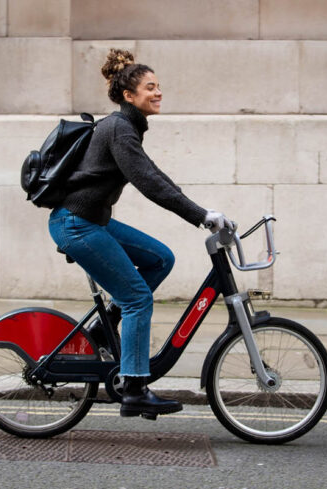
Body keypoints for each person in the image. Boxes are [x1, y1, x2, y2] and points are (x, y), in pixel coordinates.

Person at [47, 49, 233, 419]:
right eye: (150, 87)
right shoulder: (119, 128)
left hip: (89, 221)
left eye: (159, 86)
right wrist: (200, 216)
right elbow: (149, 183)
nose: (158, 92)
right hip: (77, 224)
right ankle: (134, 387)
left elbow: (155, 175)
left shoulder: (127, 128)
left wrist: (203, 211)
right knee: (136, 299)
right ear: (129, 96)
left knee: (160, 259)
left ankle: (103, 331)